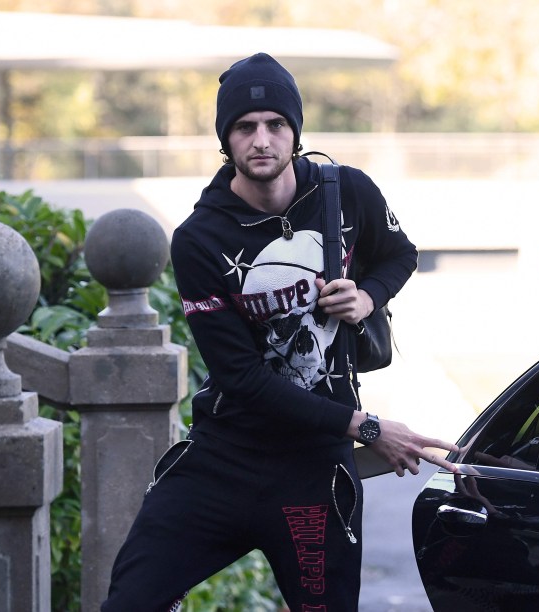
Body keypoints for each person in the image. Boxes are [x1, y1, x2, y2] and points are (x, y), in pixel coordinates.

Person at [101, 52, 459, 612]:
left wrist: (367, 296)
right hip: (225, 457)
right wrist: (367, 430)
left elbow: (400, 255)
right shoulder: (200, 238)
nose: (261, 139)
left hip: (313, 473)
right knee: (131, 600)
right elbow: (241, 379)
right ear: (226, 141)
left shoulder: (347, 192)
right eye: (245, 127)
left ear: (295, 132)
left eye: (275, 125)